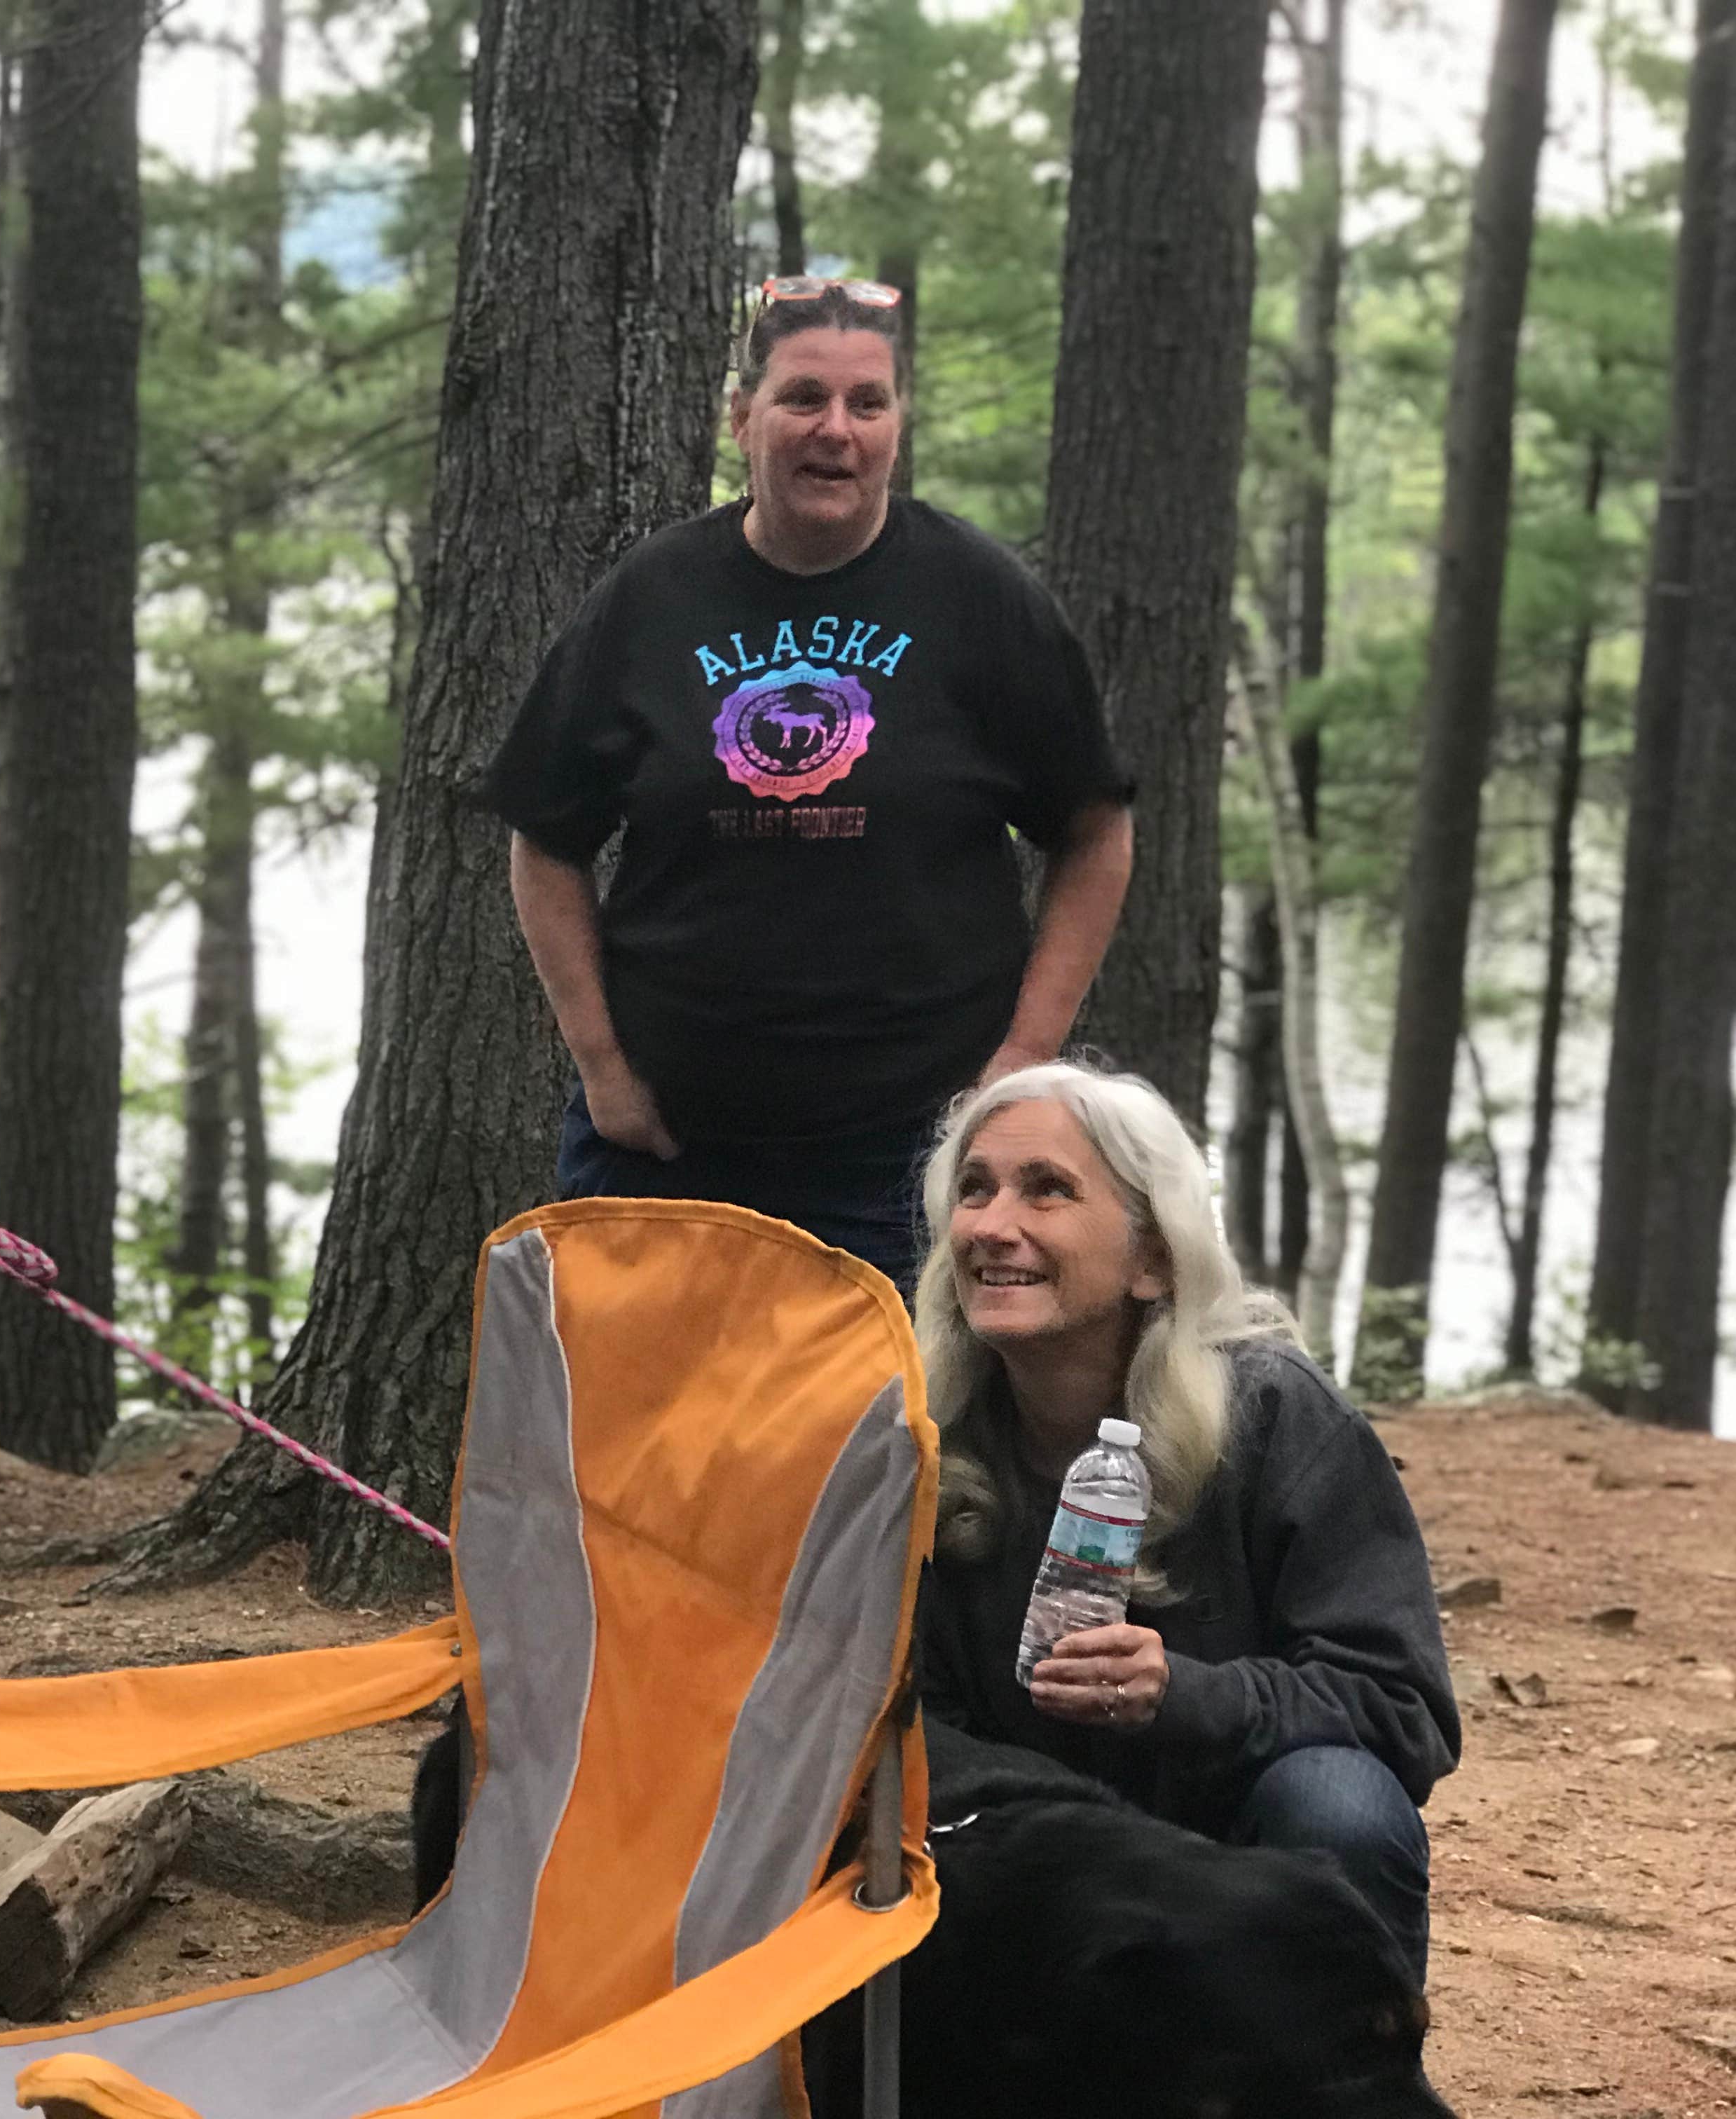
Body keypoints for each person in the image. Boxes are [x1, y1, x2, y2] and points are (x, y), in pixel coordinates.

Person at [483, 278, 1134, 1290]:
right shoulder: (655, 596)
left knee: (889, 1442)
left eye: (866, 404)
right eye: (802, 399)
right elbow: (544, 834)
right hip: (668, 1147)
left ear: (896, 427)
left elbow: (1094, 828)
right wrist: (603, 1069)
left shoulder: (978, 597)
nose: (836, 430)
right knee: (658, 1438)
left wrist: (1020, 1064)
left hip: (908, 1160)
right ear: (743, 418)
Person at [913, 1060, 1460, 1984]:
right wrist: (1064, 1825)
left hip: (1234, 1852)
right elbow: (892, 1719)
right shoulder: (917, 1432)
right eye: (975, 1190)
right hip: (1016, 1858)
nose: (992, 1226)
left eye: (1046, 1190)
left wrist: (1180, 1696)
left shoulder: (1277, 1417)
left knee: (1341, 1805)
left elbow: (1400, 1707)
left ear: (1152, 1258)